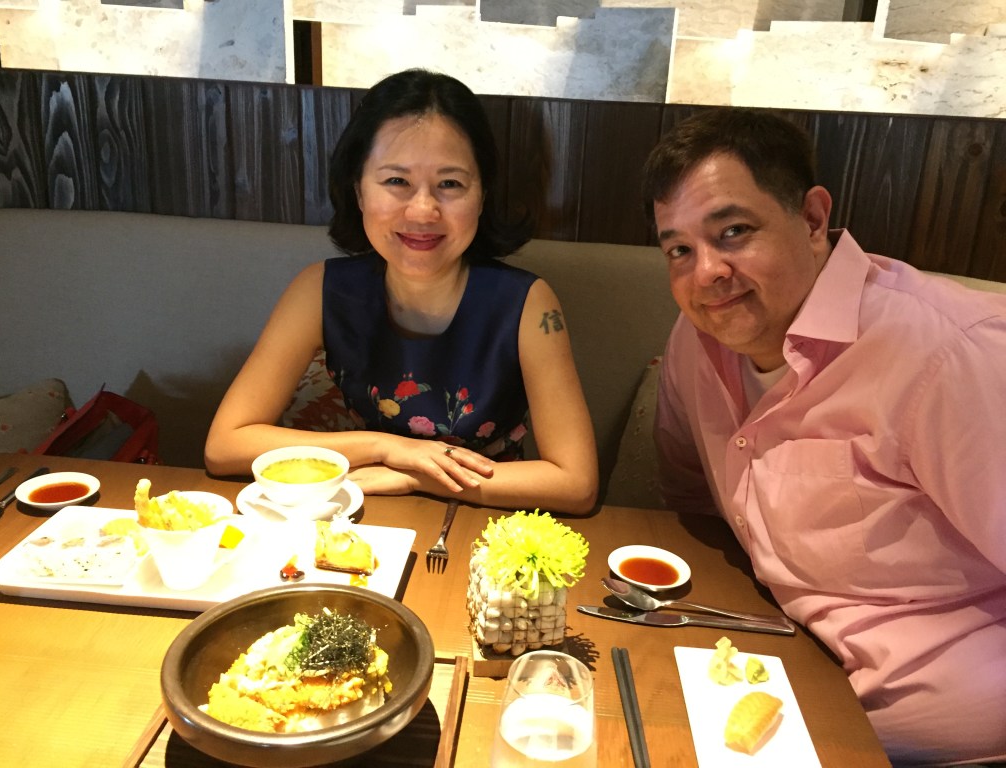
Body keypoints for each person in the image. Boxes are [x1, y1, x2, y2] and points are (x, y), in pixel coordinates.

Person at [644, 107, 1006, 765]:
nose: (706, 275)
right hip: (769, 686)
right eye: (680, 249)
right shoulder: (696, 343)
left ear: (812, 218)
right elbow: (689, 501)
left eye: (733, 231)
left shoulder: (950, 355)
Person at [205, 69, 597, 515]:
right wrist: (386, 448)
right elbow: (225, 444)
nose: (423, 210)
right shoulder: (321, 289)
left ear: (483, 194)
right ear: (357, 189)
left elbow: (575, 482)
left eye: (450, 184)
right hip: (365, 519)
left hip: (484, 526)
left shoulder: (528, 304)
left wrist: (414, 477)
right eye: (396, 181)